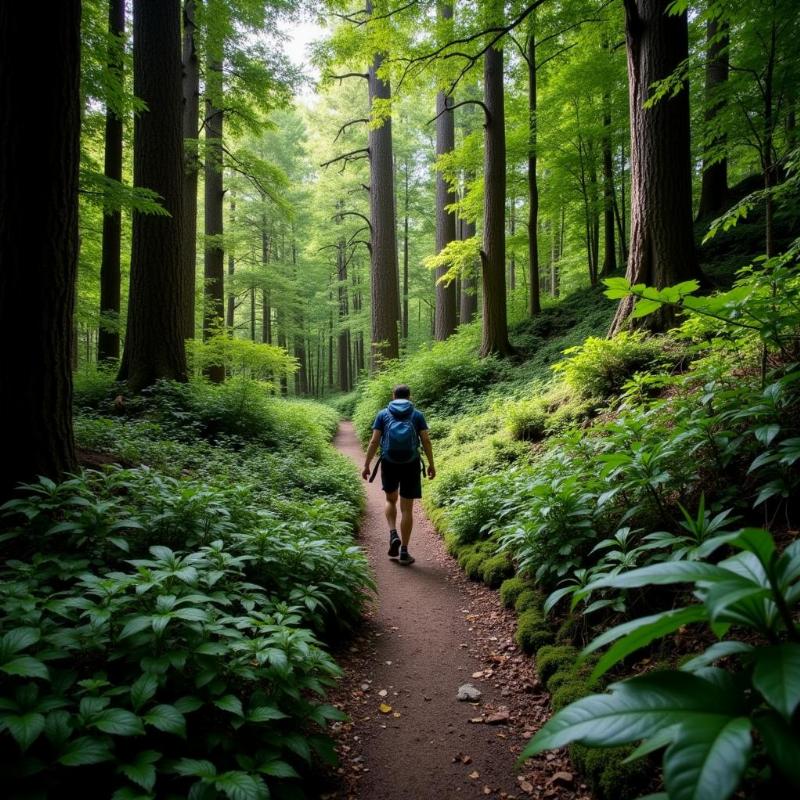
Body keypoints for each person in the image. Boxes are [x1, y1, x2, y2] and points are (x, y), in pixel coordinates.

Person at [362, 384, 435, 565]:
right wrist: (432, 464)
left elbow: (374, 441)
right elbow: (425, 439)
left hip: (389, 462)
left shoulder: (383, 414)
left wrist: (366, 465)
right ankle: (404, 551)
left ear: (393, 396)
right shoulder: (417, 414)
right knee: (407, 508)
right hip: (410, 463)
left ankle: (393, 532)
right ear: (410, 397)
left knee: (390, 500)